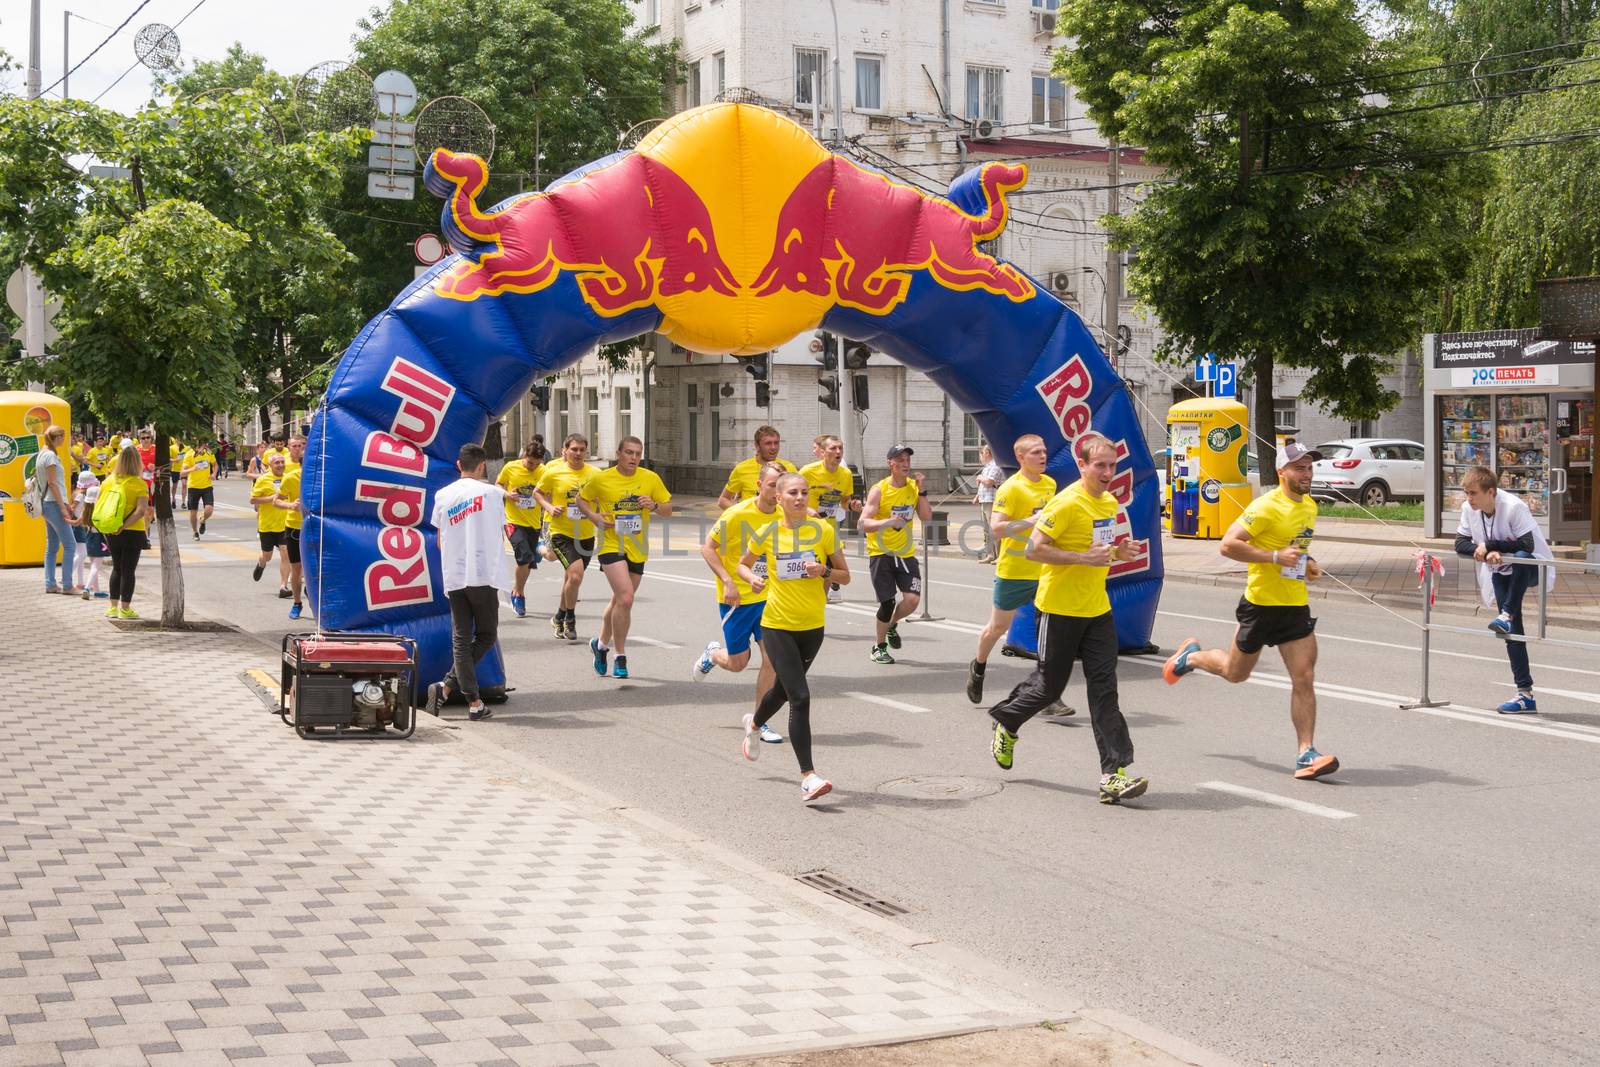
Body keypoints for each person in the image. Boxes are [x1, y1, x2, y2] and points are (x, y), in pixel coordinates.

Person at [987, 433, 1148, 804]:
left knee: (1105, 692)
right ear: (1082, 465)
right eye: (1100, 465)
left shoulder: (1108, 502)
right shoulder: (1065, 503)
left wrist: (1118, 552)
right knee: (1049, 687)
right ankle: (1007, 720)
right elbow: (1034, 549)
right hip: (1059, 610)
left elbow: (1100, 549)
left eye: (1112, 465)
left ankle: (1114, 774)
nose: (1108, 472)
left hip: (1097, 610)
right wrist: (1081, 558)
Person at [1163, 442, 1339, 781]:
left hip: (1293, 605)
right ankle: (1191, 658)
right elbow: (1228, 544)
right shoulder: (1265, 507)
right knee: (1234, 673)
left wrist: (1309, 563)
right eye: (1299, 468)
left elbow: (1296, 549)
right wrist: (1274, 558)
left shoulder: (1310, 507)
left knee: (1304, 677)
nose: (1307, 473)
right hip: (1260, 605)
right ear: (1282, 471)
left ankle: (1306, 753)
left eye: (1309, 467)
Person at [735, 471, 852, 802]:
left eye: (805, 492)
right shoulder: (767, 531)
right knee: (800, 696)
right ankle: (808, 776)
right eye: (793, 493)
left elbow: (846, 575)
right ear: (779, 498)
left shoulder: (823, 531)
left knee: (783, 691)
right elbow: (743, 565)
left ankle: (754, 723)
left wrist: (824, 571)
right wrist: (752, 580)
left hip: (812, 626)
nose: (800, 498)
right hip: (777, 624)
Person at [966, 434, 1064, 707]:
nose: (1043, 456)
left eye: (1044, 451)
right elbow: (996, 528)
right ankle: (978, 667)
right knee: (997, 628)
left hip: (1043, 568)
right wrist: (1032, 520)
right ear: (1020, 457)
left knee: (1049, 631)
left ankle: (1049, 694)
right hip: (1014, 570)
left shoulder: (1050, 484)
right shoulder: (1011, 488)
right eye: (1035, 452)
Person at [692, 462, 786, 745]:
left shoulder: (784, 515)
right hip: (737, 599)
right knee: (738, 663)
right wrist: (728, 580)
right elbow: (708, 547)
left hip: (769, 598)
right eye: (772, 485)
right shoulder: (736, 514)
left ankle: (760, 720)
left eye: (781, 486)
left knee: (772, 660)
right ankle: (712, 654)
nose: (778, 492)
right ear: (759, 485)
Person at [1454, 465, 1555, 714]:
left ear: (1491, 492)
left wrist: (1488, 545)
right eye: (1467, 493)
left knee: (1520, 555)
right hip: (1500, 571)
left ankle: (1507, 614)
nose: (1469, 499)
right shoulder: (1469, 509)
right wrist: (1487, 551)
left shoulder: (1513, 506)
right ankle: (1525, 695)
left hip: (1529, 568)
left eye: (1473, 493)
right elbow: (1459, 543)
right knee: (1512, 634)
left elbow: (1527, 543)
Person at [424, 443, 511, 722]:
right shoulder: (493, 494)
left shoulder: (443, 495)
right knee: (486, 634)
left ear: (458, 465)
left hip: (454, 573)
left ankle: (447, 688)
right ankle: (471, 701)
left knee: (461, 638)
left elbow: (438, 539)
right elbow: (500, 531)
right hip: (483, 572)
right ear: (482, 465)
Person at [577, 436, 673, 679]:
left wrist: (652, 506)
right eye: (629, 452)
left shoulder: (650, 479)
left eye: (638, 454)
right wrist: (595, 518)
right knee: (627, 599)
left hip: (638, 547)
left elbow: (668, 510)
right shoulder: (602, 478)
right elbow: (580, 499)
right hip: (611, 545)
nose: (633, 458)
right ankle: (620, 655)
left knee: (619, 601)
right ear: (618, 453)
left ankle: (599, 645)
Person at [860, 444, 932, 664]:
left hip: (905, 553)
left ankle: (891, 625)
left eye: (907, 460)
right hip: (881, 553)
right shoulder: (879, 489)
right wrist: (887, 522)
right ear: (890, 463)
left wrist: (921, 491)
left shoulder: (912, 487)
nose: (905, 464)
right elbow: (863, 524)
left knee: (912, 600)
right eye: (899, 460)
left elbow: (927, 517)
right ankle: (878, 647)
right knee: (888, 602)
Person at [533, 433, 603, 641]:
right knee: (575, 576)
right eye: (574, 449)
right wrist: (549, 506)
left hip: (586, 534)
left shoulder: (596, 473)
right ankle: (570, 619)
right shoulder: (554, 472)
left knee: (571, 579)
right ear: (565, 450)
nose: (578, 453)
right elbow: (537, 492)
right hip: (560, 532)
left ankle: (559, 615)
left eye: (582, 449)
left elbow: (604, 496)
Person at [799, 434, 861, 604]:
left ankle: (819, 608)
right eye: (833, 448)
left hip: (829, 531)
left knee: (828, 573)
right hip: (808, 530)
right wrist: (807, 510)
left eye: (840, 448)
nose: (838, 451)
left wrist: (852, 505)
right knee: (805, 576)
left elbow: (844, 501)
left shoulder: (845, 474)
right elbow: (792, 496)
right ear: (823, 452)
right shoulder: (808, 471)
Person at [495, 439, 547, 618]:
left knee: (528, 564)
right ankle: (520, 596)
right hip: (513, 521)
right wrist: (507, 494)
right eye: (530, 462)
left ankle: (517, 589)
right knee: (524, 557)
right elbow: (499, 484)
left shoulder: (544, 471)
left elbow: (549, 491)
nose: (533, 467)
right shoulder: (511, 467)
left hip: (533, 523)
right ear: (525, 455)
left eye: (537, 463)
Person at [101, 444, 151, 619]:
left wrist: (116, 526)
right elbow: (141, 511)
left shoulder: (108, 481)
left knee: (117, 567)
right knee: (128, 570)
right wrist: (125, 525)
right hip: (133, 531)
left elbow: (102, 506)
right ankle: (125, 609)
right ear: (138, 463)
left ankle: (113, 608)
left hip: (111, 529)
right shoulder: (139, 484)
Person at [36, 426, 81, 596]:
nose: (65, 439)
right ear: (57, 437)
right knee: (70, 545)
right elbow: (53, 483)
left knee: (52, 546)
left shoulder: (43, 453)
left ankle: (50, 584)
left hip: (48, 504)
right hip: (54, 504)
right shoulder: (50, 456)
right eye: (63, 436)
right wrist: (63, 507)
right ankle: (68, 585)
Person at [718, 425, 796, 508]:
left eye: (776, 443)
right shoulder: (742, 469)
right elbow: (723, 500)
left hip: (779, 520)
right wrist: (741, 513)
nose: (773, 447)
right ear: (757, 446)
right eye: (768, 443)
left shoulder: (789, 468)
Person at [249, 451, 291, 589]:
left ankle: (283, 586)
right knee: (267, 556)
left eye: (282, 462)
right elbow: (253, 500)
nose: (280, 465)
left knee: (286, 553)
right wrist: (272, 498)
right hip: (267, 525)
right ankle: (261, 564)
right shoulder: (263, 479)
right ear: (271, 465)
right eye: (276, 463)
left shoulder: (288, 479)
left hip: (284, 524)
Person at [275, 448, 306, 620]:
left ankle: (312, 592)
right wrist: (290, 505)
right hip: (294, 527)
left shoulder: (321, 478)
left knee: (317, 567)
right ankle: (297, 603)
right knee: (296, 568)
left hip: (314, 526)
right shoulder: (291, 477)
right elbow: (276, 500)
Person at [78, 473, 110, 600]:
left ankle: (97, 590)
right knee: (96, 566)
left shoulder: (86, 511)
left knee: (93, 564)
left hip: (89, 537)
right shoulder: (99, 511)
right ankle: (87, 587)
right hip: (99, 539)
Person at [181, 440, 218, 539]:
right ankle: (195, 532)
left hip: (207, 486)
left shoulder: (208, 452)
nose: (202, 447)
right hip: (193, 487)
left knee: (209, 509)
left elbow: (215, 464)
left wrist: (214, 474)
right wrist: (192, 469)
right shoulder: (189, 455)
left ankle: (203, 519)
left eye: (203, 445)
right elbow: (182, 472)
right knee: (193, 512)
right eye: (199, 446)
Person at [974, 443, 1003, 564]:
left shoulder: (995, 466)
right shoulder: (986, 468)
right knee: (986, 529)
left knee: (994, 529)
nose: (980, 457)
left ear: (987, 453)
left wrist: (980, 478)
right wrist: (977, 497)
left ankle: (999, 555)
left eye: (981, 454)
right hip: (984, 500)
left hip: (992, 501)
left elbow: (989, 482)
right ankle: (990, 554)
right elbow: (983, 485)